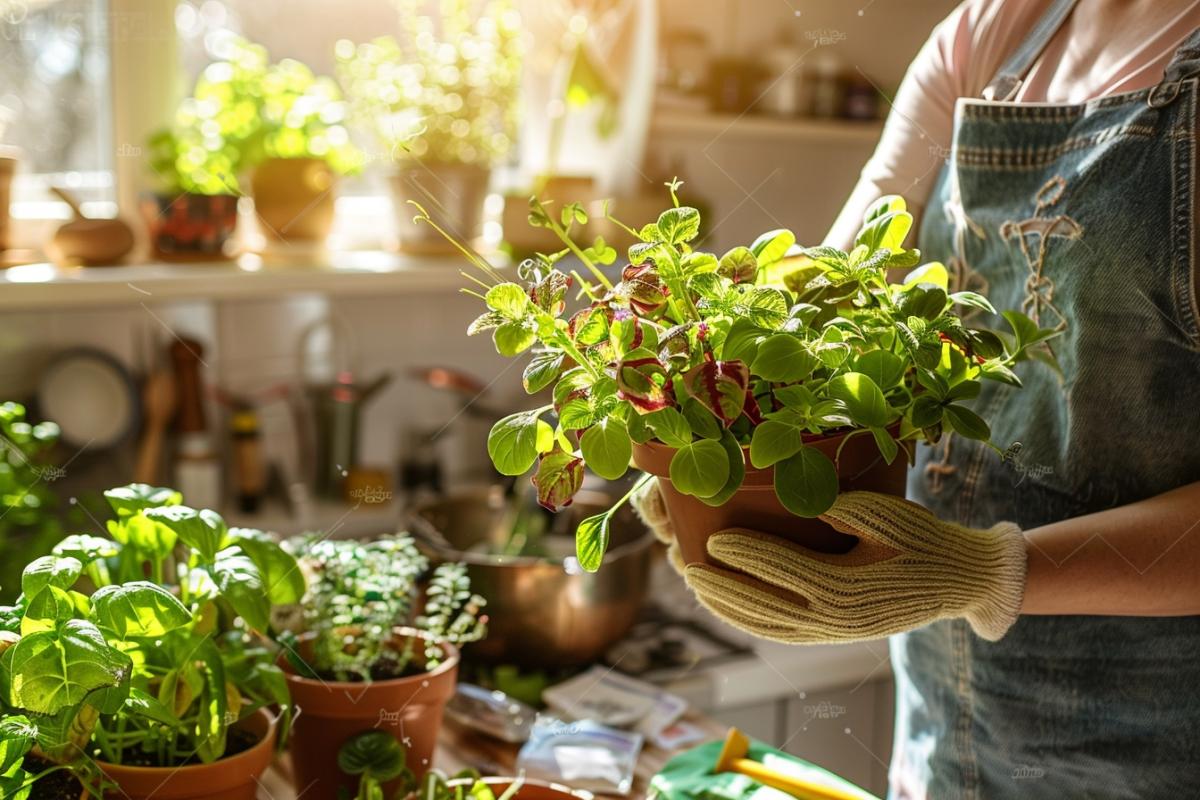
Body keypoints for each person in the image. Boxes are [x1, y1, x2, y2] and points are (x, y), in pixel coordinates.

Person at [633, 0, 1200, 797]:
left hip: (1154, 745)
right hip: (946, 710)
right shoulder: (994, 30)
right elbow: (835, 286)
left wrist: (991, 572)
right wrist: (707, 414)